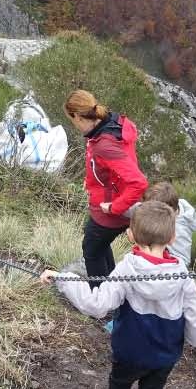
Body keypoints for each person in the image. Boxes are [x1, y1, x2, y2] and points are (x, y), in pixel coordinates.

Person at [40, 201, 196, 389]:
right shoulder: (181, 274)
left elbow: (97, 304)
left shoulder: (128, 268)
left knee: (120, 382)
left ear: (130, 234)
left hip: (130, 348)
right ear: (172, 237)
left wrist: (64, 279)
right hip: (165, 352)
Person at [64, 90, 148, 292]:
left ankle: (101, 299)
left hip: (112, 208)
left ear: (78, 116)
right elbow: (109, 167)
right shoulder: (110, 124)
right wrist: (92, 180)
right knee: (99, 244)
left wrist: (113, 207)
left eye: (71, 119)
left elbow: (139, 182)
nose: (73, 124)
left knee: (91, 249)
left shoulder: (104, 144)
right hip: (112, 198)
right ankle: (111, 288)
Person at [135, 181, 196, 265]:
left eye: (150, 211)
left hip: (164, 271)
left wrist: (156, 259)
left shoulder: (178, 231)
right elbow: (139, 209)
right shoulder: (173, 204)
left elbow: (183, 261)